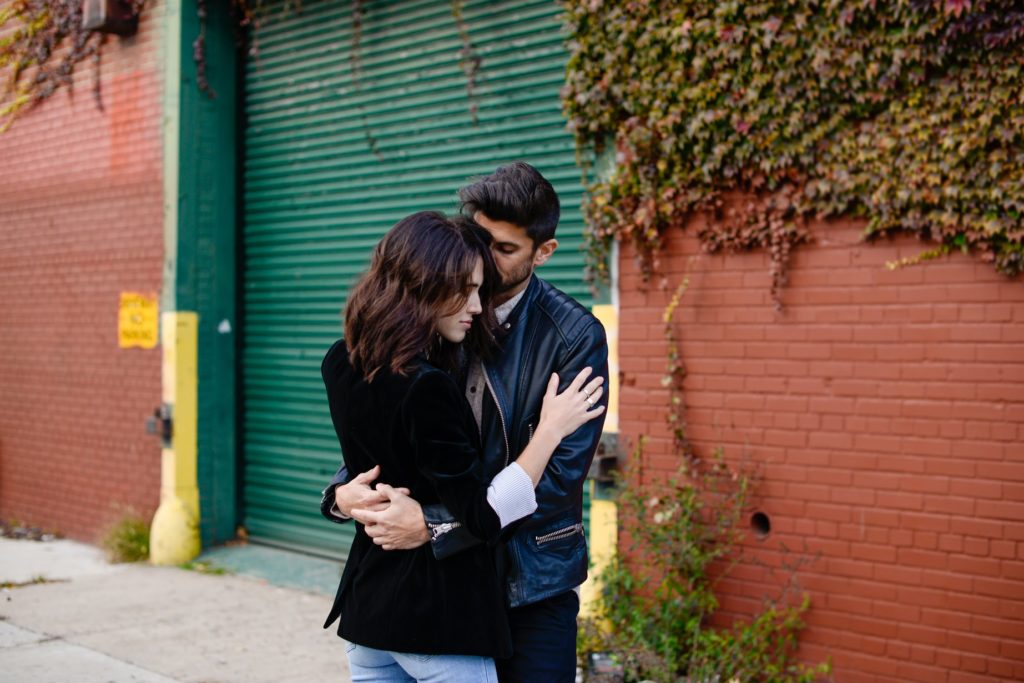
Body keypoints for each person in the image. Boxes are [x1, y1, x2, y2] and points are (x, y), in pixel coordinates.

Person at [322, 163, 610, 682]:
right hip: (443, 588)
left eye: (504, 249)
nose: (485, 261)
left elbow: (556, 483)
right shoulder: (437, 311)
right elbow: (397, 437)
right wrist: (341, 496)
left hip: (529, 581)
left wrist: (434, 526)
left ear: (543, 252)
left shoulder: (573, 338)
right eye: (479, 240)